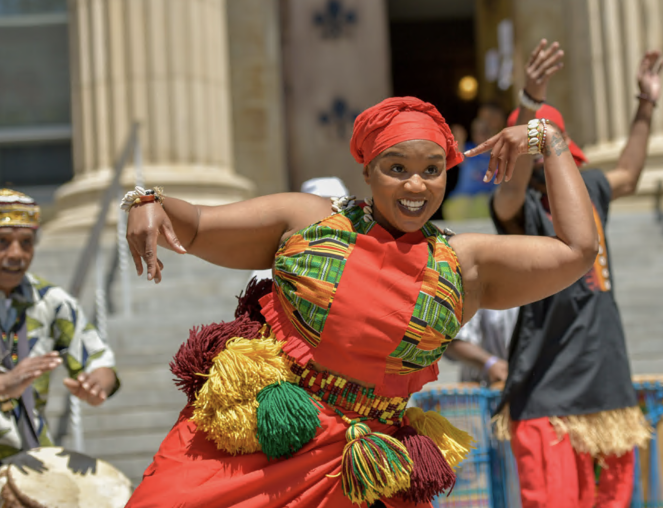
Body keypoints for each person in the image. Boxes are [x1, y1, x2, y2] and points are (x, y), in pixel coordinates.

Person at [123, 96, 598, 508]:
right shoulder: (308, 221)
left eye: (432, 171)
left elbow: (578, 251)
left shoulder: (463, 264)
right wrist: (150, 202)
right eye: (398, 169)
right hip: (262, 439)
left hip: (364, 470)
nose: (417, 186)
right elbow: (201, 225)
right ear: (367, 170)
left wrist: (548, 139)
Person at [478, 39, 663, 507]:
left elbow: (629, 172)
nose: (548, 156)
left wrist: (646, 102)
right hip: (548, 392)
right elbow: (510, 188)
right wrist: (528, 106)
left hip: (607, 383)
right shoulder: (519, 208)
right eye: (539, 147)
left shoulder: (591, 190)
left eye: (552, 144)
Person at [0, 189, 119, 459]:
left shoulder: (52, 302)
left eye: (26, 243)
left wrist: (97, 384)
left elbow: (100, 362)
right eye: (3, 241)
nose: (16, 254)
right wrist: (5, 384)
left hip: (34, 460)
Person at [445, 307, 518, 385]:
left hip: (520, 386)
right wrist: (490, 363)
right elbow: (452, 339)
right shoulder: (474, 297)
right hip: (478, 387)